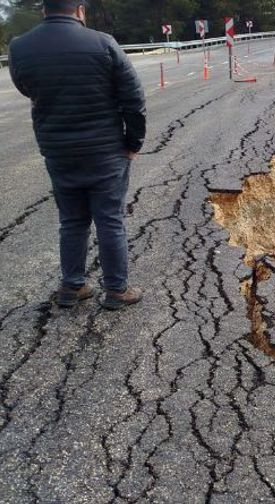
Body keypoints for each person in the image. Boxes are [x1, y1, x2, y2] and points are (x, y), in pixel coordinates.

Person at [9, 0, 146, 310]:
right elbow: (133, 98)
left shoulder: (21, 46)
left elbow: (27, 88)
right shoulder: (103, 43)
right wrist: (133, 142)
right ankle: (116, 291)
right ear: (80, 11)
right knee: (110, 220)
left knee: (71, 221)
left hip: (58, 151)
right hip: (106, 151)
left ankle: (72, 287)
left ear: (44, 10)